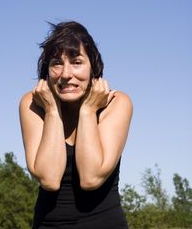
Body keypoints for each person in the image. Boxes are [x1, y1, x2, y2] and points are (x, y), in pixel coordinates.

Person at [19, 21, 133, 229]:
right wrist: (53, 111)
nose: (66, 74)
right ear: (47, 71)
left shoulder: (117, 103)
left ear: (93, 68)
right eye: (56, 63)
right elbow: (49, 178)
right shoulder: (33, 104)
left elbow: (91, 178)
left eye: (77, 62)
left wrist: (88, 110)